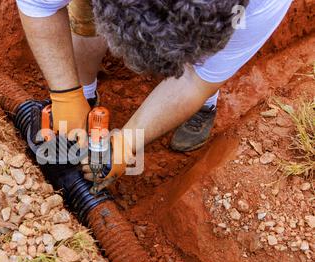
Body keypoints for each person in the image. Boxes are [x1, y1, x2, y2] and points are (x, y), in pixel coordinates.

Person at [15, 0, 292, 189]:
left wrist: (127, 141)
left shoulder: (262, 6)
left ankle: (205, 105)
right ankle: (84, 93)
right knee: (84, 16)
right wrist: (66, 94)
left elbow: (196, 80)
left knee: (207, 64)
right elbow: (38, 5)